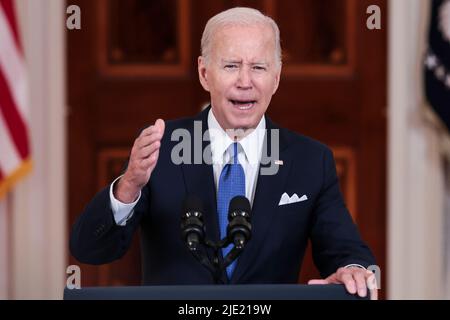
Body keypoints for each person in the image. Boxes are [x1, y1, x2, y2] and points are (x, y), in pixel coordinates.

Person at [70, 7, 377, 299]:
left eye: (258, 67)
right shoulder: (161, 149)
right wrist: (128, 186)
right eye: (231, 66)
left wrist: (352, 270)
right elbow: (90, 249)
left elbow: (346, 250)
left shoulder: (311, 161)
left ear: (277, 78)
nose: (245, 82)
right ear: (205, 73)